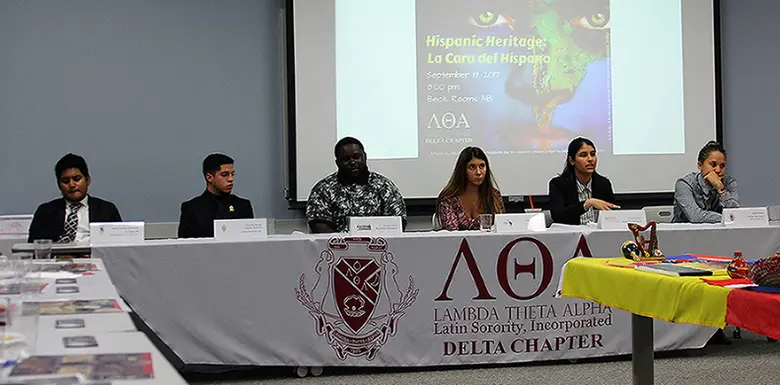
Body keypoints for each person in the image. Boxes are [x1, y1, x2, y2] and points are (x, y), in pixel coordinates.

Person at [306, 137, 406, 233]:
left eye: (356, 157)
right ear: (337, 163)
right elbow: (319, 226)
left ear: (365, 157)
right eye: (346, 159)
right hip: (338, 248)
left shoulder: (384, 186)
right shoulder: (323, 189)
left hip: (379, 247)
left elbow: (398, 222)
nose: (352, 162)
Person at [28, 153, 122, 243]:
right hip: (58, 258)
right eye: (65, 181)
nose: (72, 185)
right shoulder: (45, 212)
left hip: (94, 257)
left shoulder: (107, 210)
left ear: (88, 180)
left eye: (77, 179)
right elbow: (34, 247)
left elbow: (118, 245)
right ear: (59, 185)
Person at [178, 153, 254, 238]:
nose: (230, 179)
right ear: (209, 177)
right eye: (224, 175)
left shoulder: (243, 206)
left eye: (232, 174)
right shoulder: (192, 208)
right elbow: (185, 247)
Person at [548, 137, 619, 225]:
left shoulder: (603, 184)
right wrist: (587, 203)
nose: (590, 159)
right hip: (571, 236)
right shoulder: (559, 184)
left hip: (600, 236)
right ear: (572, 160)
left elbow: (613, 216)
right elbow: (558, 216)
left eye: (593, 154)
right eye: (583, 155)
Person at [436, 147, 504, 230]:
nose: (478, 172)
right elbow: (452, 234)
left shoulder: (494, 195)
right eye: (472, 167)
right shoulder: (449, 199)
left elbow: (502, 227)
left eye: (482, 166)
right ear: (462, 170)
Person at [673, 141, 739, 223]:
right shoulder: (684, 184)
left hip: (719, 233)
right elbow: (695, 217)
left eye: (722, 166)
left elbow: (735, 214)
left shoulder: (729, 183)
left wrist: (720, 188)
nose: (718, 170)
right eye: (713, 164)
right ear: (700, 165)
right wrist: (727, 218)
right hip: (685, 233)